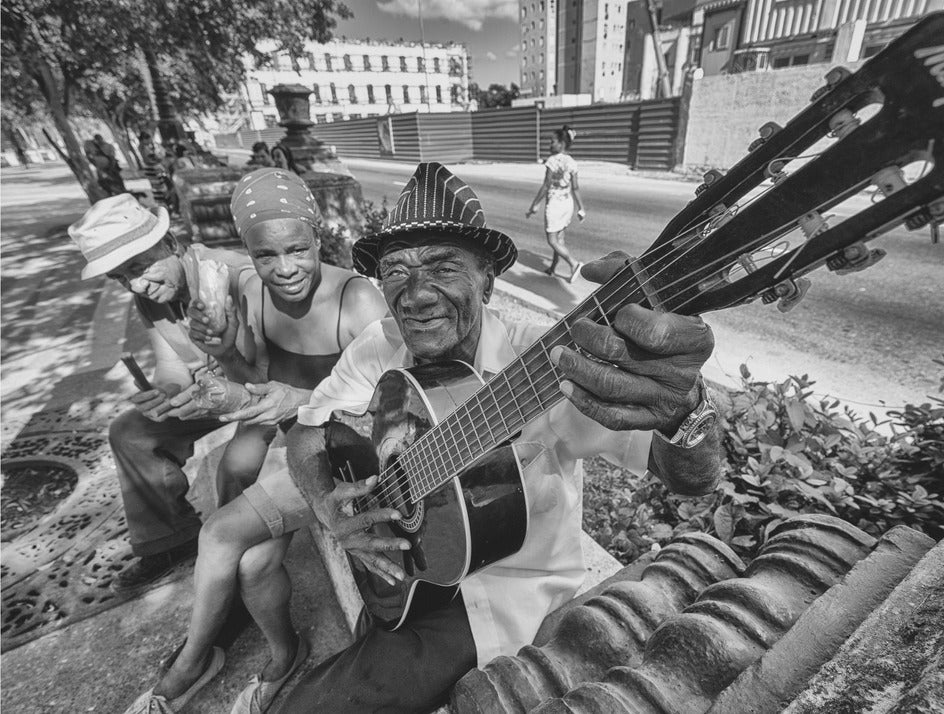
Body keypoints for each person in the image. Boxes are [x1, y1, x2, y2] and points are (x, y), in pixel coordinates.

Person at [273, 162, 723, 712]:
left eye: (442, 266)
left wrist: (686, 409)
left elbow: (692, 478)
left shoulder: (548, 363)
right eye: (395, 271)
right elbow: (306, 433)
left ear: (487, 279)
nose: (414, 296)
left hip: (498, 606)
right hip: (405, 577)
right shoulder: (378, 344)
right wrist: (328, 506)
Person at [121, 168, 387, 714]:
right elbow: (255, 381)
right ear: (248, 253)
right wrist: (221, 355)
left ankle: (190, 664)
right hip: (298, 450)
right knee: (252, 564)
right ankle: (284, 656)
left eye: (299, 249)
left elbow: (392, 404)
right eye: (267, 256)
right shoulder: (252, 291)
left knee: (221, 534)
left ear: (319, 239)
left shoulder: (355, 298)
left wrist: (299, 400)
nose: (285, 268)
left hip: (348, 460)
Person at [68, 194, 258, 590]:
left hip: (262, 389)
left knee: (234, 470)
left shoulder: (235, 276)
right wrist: (165, 393)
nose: (135, 284)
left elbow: (263, 374)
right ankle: (170, 541)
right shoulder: (151, 295)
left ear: (170, 243)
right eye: (120, 278)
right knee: (130, 431)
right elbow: (173, 367)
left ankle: (232, 575)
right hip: (215, 391)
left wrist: (208, 390)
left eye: (138, 267)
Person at [526, 125, 586, 282]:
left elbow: (546, 185)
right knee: (559, 238)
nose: (550, 145)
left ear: (561, 143)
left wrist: (534, 205)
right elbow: (576, 188)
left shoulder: (552, 161)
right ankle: (553, 268)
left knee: (551, 240)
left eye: (552, 142)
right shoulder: (572, 162)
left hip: (554, 205)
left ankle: (574, 264)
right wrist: (581, 208)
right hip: (567, 204)